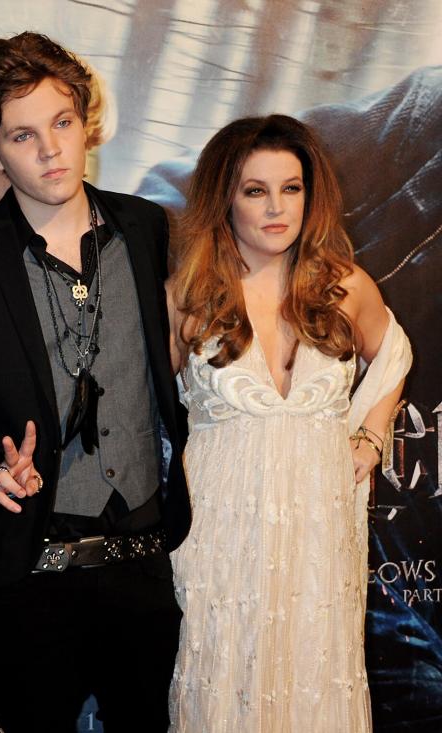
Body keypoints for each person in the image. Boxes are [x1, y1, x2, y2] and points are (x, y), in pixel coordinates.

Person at [0, 32, 191, 732]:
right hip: (26, 570)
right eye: (23, 135)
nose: (50, 149)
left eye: (62, 122)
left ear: (86, 118)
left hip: (145, 563)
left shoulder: (147, 227)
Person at [165, 114, 412, 732]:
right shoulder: (187, 296)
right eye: (255, 190)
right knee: (222, 678)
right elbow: (137, 406)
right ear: (224, 198)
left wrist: (371, 435)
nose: (277, 207)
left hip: (318, 527)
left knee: (315, 677)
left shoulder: (345, 287)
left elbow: (396, 353)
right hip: (219, 530)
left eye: (291, 188)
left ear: (311, 194)